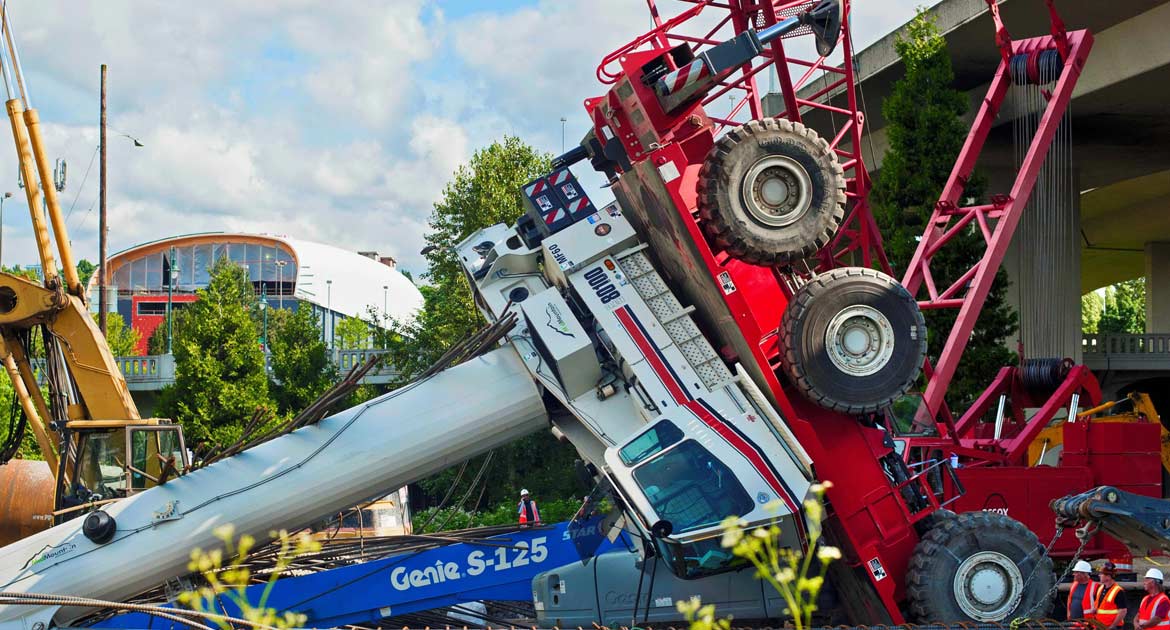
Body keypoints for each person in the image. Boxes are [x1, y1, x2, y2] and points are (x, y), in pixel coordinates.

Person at [1092, 561, 1128, 629]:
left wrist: (1112, 626)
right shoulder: (1100, 588)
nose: (1099, 575)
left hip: (1112, 627)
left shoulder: (1118, 591)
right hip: (1100, 625)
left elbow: (1123, 611)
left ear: (1108, 577)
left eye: (1101, 574)